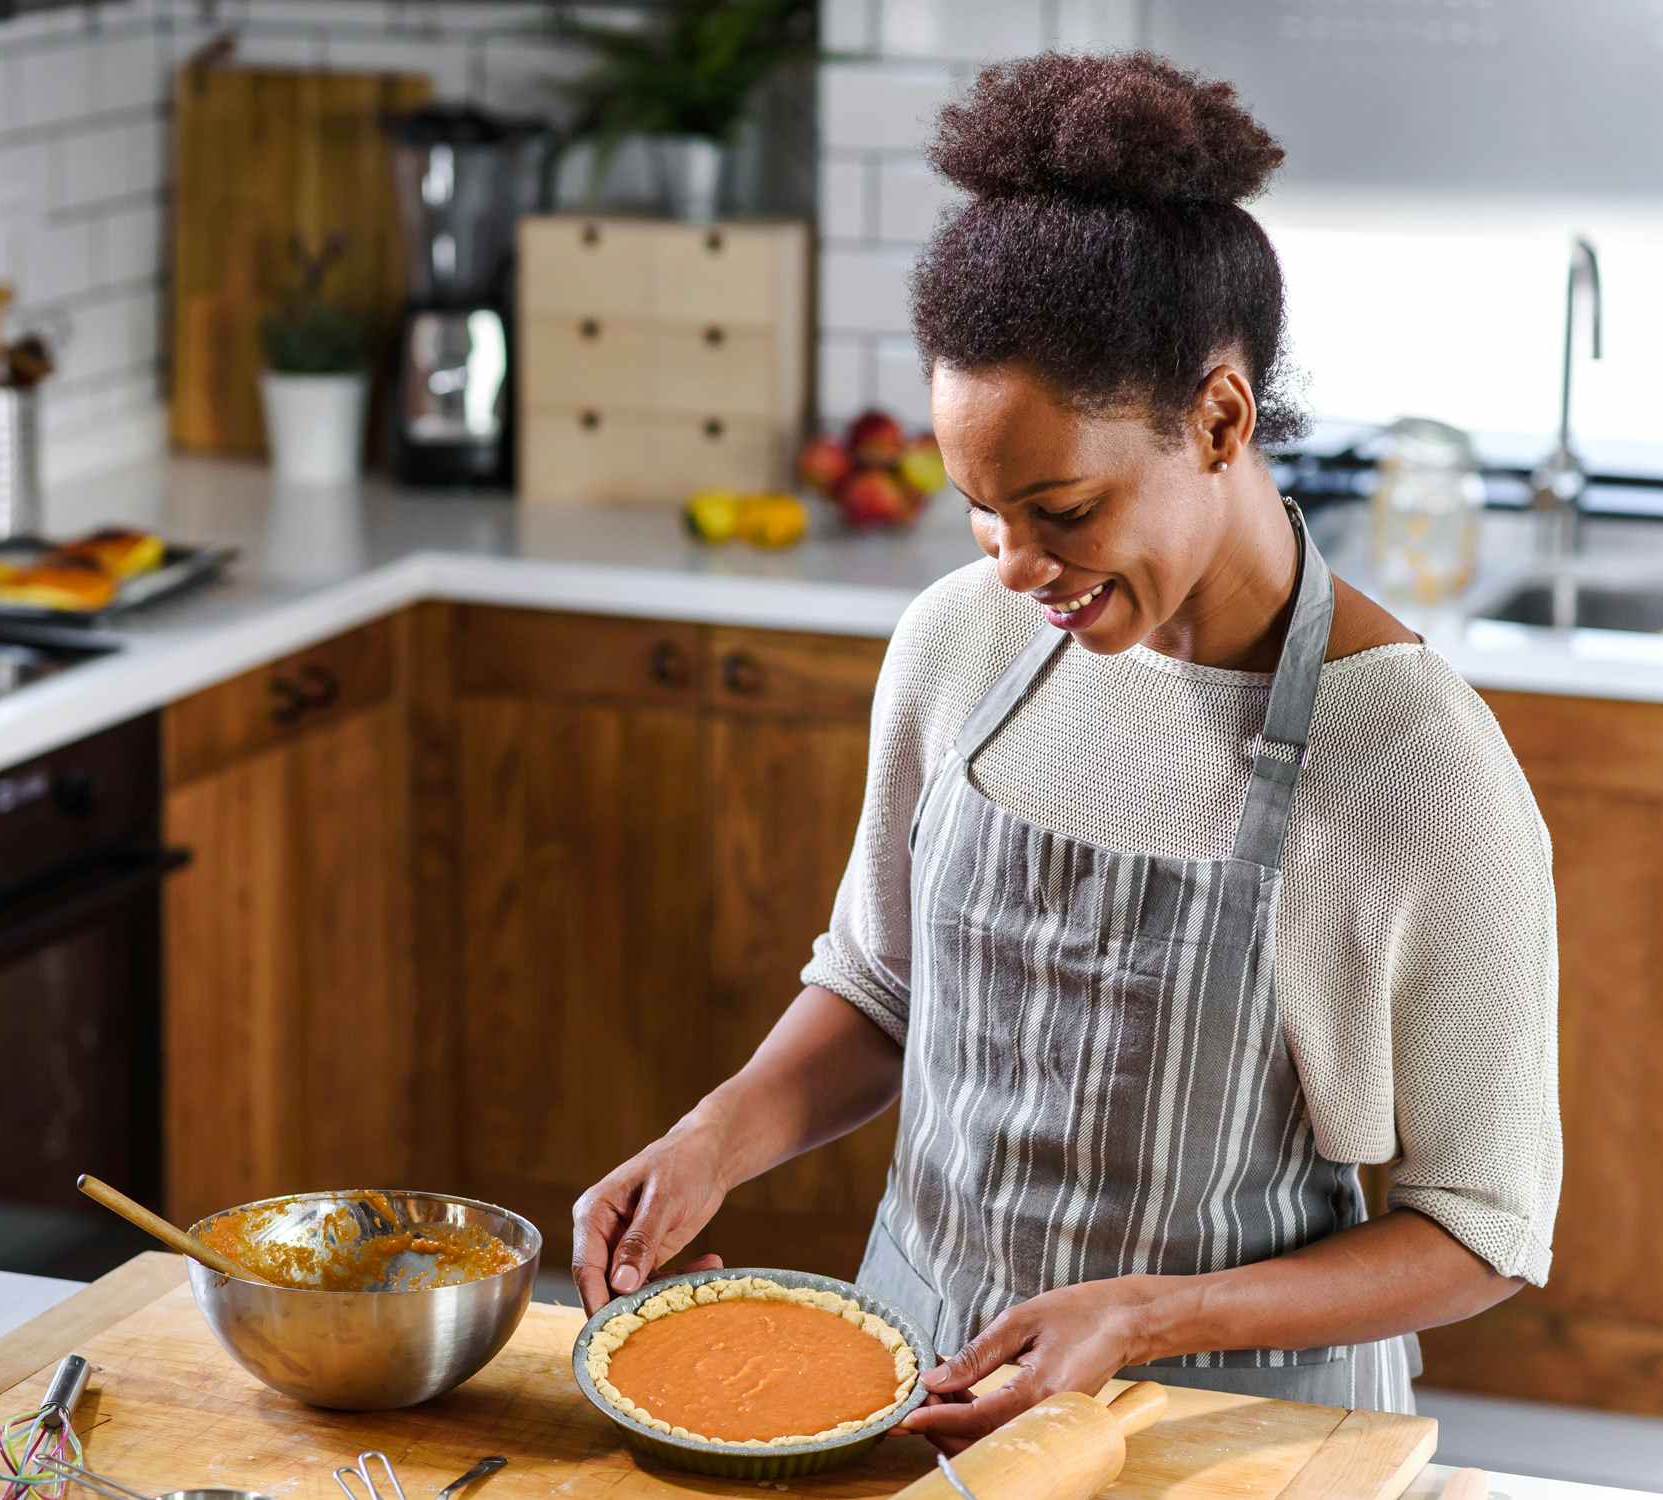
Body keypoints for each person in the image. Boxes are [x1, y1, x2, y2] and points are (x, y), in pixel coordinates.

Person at [570, 51, 1560, 1447]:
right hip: (909, 1392)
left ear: (1218, 418)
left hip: (1225, 1440)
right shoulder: (959, 648)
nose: (1017, 564)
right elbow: (882, 988)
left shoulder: (1415, 771)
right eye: (980, 511)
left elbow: (1484, 1229)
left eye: (1063, 510)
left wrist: (1149, 1315)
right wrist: (710, 1143)